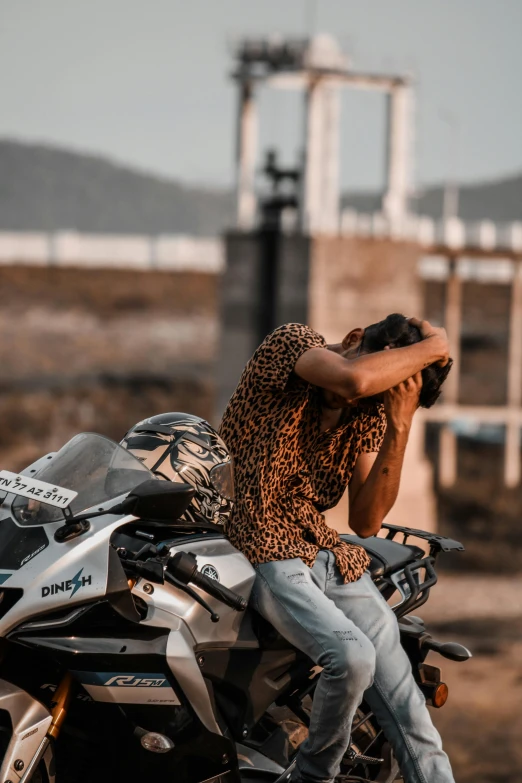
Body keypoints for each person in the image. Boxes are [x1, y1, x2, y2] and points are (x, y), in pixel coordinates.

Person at [218, 314, 454, 783]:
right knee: (351, 658)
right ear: (351, 340)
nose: (360, 400)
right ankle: (311, 776)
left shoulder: (366, 413)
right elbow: (353, 377)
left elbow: (366, 522)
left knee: (412, 714)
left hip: (327, 553)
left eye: (377, 399)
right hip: (259, 540)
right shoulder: (291, 346)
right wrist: (437, 346)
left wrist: (399, 427)